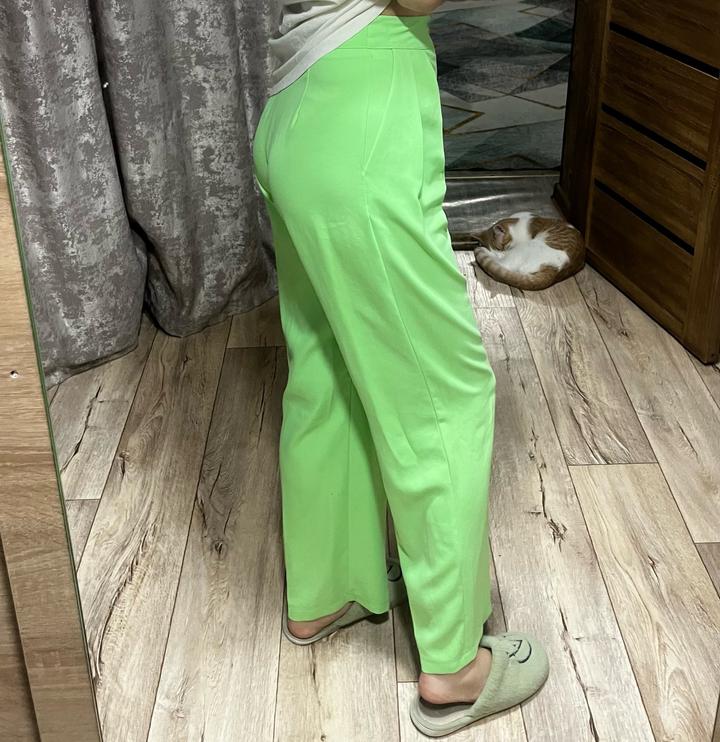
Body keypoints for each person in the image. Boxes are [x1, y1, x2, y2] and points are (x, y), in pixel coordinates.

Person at [251, 0, 550, 736]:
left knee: (328, 373)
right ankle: (454, 665)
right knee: (445, 393)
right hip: (364, 108)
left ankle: (326, 589)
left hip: (299, 98)